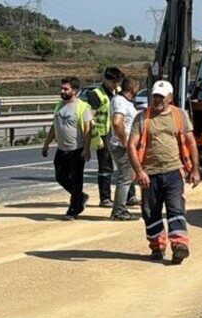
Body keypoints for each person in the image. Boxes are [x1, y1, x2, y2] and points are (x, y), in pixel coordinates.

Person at [130, 80, 200, 264]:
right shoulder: (142, 117)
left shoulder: (179, 115)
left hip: (174, 172)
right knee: (151, 212)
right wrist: (139, 171)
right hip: (149, 174)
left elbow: (191, 142)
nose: (157, 99)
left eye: (161, 96)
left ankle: (179, 246)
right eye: (155, 96)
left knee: (176, 209)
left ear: (170, 97)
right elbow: (131, 145)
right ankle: (157, 246)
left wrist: (195, 170)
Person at [41, 77, 93, 219]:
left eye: (66, 89)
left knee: (76, 180)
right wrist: (46, 144)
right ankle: (80, 197)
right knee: (60, 177)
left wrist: (86, 149)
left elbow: (88, 130)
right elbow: (54, 126)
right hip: (61, 149)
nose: (62, 91)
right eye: (61, 88)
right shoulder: (59, 106)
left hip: (76, 149)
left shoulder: (82, 107)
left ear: (74, 91)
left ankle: (74, 209)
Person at [86, 67, 122, 208]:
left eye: (117, 82)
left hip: (118, 132)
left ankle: (129, 196)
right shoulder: (96, 94)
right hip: (104, 134)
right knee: (106, 166)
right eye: (113, 82)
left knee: (125, 165)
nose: (115, 85)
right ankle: (105, 198)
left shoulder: (118, 92)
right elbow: (90, 117)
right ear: (105, 79)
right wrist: (96, 139)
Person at [107, 76, 141, 221]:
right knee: (125, 178)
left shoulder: (122, 101)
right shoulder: (121, 102)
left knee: (127, 176)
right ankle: (119, 211)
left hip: (121, 144)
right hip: (122, 146)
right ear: (134, 89)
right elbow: (117, 122)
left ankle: (126, 201)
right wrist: (125, 142)